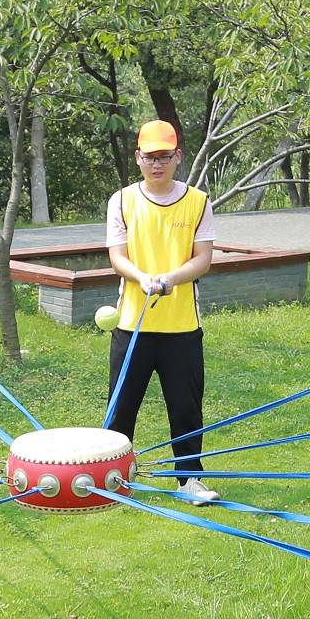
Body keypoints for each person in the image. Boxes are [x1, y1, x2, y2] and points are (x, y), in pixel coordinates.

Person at [104, 120, 222, 506]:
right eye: (150, 157)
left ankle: (189, 480)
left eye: (164, 156)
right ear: (138, 158)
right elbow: (118, 257)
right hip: (131, 324)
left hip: (181, 327)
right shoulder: (122, 200)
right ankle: (113, 480)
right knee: (122, 407)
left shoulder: (198, 201)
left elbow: (203, 259)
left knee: (186, 409)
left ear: (178, 157)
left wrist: (171, 278)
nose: (157, 164)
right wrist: (142, 277)